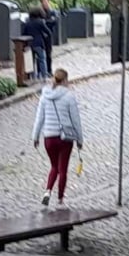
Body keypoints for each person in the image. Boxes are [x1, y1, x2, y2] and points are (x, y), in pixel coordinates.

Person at [32, 68, 83, 207]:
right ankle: (60, 198)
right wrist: (79, 139)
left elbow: (39, 118)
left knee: (54, 166)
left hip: (49, 138)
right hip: (64, 138)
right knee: (63, 169)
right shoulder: (69, 96)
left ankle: (47, 191)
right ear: (65, 80)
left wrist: (35, 136)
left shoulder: (44, 96)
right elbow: (76, 120)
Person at [20, 8, 51, 80]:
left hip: (29, 44)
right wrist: (45, 37)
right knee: (42, 60)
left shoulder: (28, 22)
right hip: (39, 43)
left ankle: (33, 77)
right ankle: (44, 77)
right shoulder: (41, 22)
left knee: (31, 61)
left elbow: (24, 33)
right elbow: (48, 32)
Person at [40, 0, 59, 74]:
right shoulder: (40, 12)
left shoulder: (52, 12)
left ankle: (49, 70)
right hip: (41, 35)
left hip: (49, 35)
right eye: (43, 2)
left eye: (46, 2)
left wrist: (45, 22)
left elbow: (54, 21)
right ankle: (41, 71)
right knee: (40, 54)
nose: (45, 3)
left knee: (48, 53)